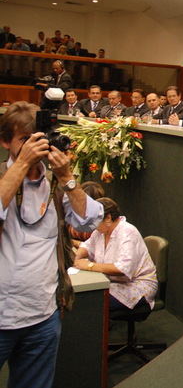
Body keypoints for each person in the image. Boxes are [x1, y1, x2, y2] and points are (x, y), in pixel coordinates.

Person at [0, 101, 103, 388]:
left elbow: (89, 221)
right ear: (5, 142)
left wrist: (66, 177)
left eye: (40, 139)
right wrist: (22, 164)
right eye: (25, 139)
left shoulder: (54, 185)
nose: (35, 147)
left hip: (42, 317)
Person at [74, 198, 157, 312]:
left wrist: (89, 266)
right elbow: (87, 246)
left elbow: (122, 268)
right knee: (82, 296)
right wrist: (77, 257)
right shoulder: (100, 232)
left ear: (108, 218)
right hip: (113, 282)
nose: (92, 225)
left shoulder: (127, 233)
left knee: (89, 301)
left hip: (136, 285)